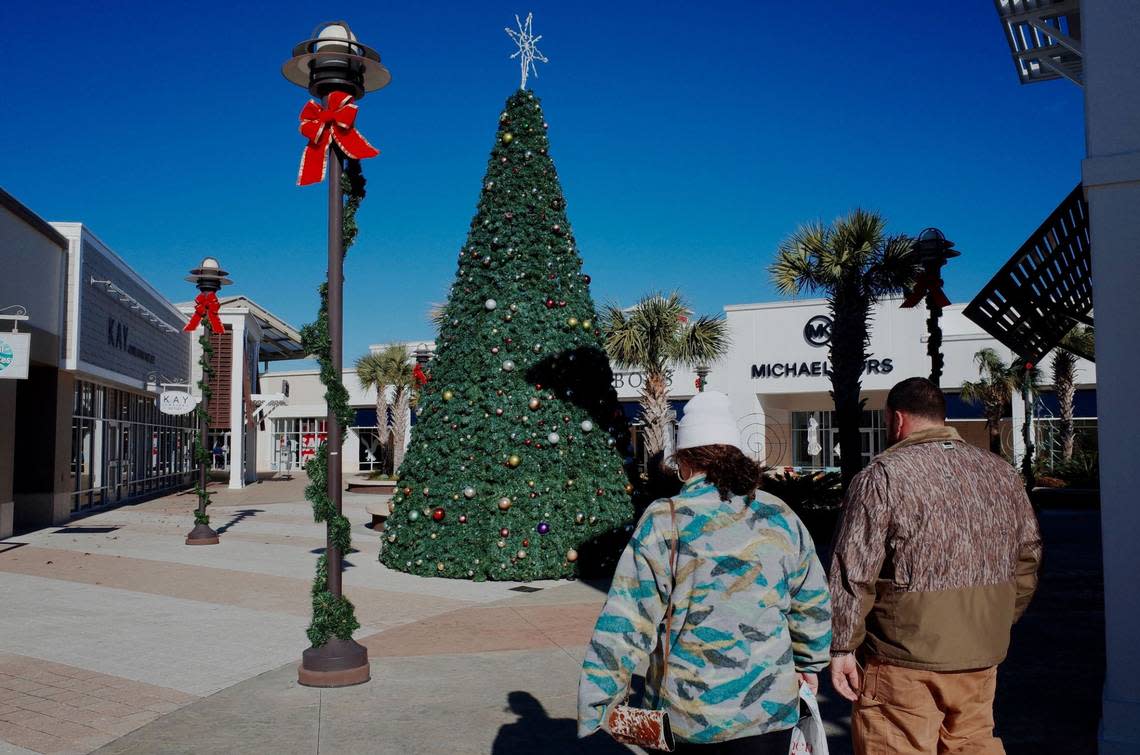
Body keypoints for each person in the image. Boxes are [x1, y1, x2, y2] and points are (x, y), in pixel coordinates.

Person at [578, 391, 832, 754]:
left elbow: (627, 617)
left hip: (689, 718)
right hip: (771, 712)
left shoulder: (665, 519)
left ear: (683, 460)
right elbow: (812, 600)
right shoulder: (780, 514)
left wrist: (599, 699)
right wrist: (811, 662)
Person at [828, 377, 1043, 754]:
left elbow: (854, 570)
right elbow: (1028, 557)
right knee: (974, 743)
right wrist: (993, 619)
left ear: (897, 420)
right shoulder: (1001, 473)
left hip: (903, 657)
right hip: (980, 654)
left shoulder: (883, 476)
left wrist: (842, 646)